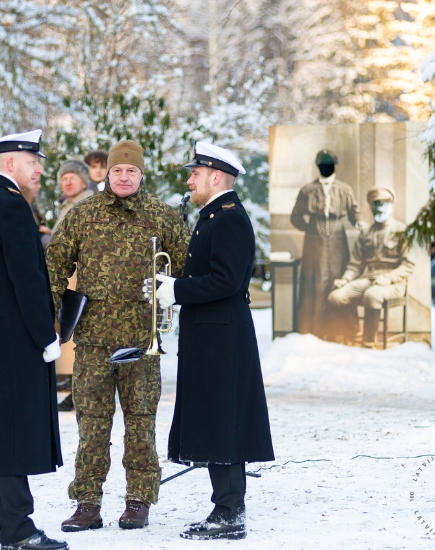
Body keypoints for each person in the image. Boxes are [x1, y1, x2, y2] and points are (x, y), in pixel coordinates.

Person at [47, 139, 189, 531]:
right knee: (92, 424)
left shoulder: (162, 216)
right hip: (92, 341)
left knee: (141, 425)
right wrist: (51, 315)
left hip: (142, 342)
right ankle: (87, 503)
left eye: (131, 170)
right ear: (107, 174)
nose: (124, 176)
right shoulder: (83, 213)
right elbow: (55, 262)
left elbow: (189, 266)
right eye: (117, 170)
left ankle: (139, 499)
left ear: (142, 174)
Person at [152, 142, 274, 540]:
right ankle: (225, 507)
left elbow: (227, 280)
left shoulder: (229, 219)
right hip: (213, 333)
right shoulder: (213, 217)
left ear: (215, 176)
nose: (189, 181)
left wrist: (177, 290)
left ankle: (229, 512)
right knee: (216, 418)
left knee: (224, 421)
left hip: (222, 335)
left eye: (195, 174)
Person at [0, 129, 66, 550]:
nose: (40, 169)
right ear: (11, 163)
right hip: (17, 330)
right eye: (33, 162)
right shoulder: (11, 206)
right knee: (14, 427)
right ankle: (18, 528)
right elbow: (26, 279)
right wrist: (48, 335)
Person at [327, 187, 415, 348]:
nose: (381, 207)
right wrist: (345, 279)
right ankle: (354, 334)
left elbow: (408, 265)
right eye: (376, 203)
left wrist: (388, 278)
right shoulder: (366, 232)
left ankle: (369, 342)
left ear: (392, 206)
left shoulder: (401, 231)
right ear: (371, 207)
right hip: (368, 279)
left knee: (372, 295)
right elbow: (355, 264)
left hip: (394, 283)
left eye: (385, 203)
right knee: (336, 297)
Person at [290, 150, 359, 340]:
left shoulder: (344, 189)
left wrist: (361, 224)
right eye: (322, 164)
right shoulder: (307, 190)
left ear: (334, 166)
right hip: (314, 244)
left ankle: (341, 329)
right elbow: (295, 217)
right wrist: (310, 229)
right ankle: (315, 330)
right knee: (315, 282)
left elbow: (354, 214)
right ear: (318, 166)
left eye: (329, 164)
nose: (325, 168)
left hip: (338, 240)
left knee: (338, 280)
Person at [53, 159, 96, 413]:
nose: (67, 182)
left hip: (80, 277)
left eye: (72, 177)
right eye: (63, 178)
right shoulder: (68, 204)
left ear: (83, 181)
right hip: (70, 278)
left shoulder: (85, 204)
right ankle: (73, 387)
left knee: (77, 334)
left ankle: (77, 390)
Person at [54, 160, 95, 230]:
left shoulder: (91, 204)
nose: (68, 183)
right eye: (64, 179)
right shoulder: (65, 205)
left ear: (84, 183)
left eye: (73, 178)